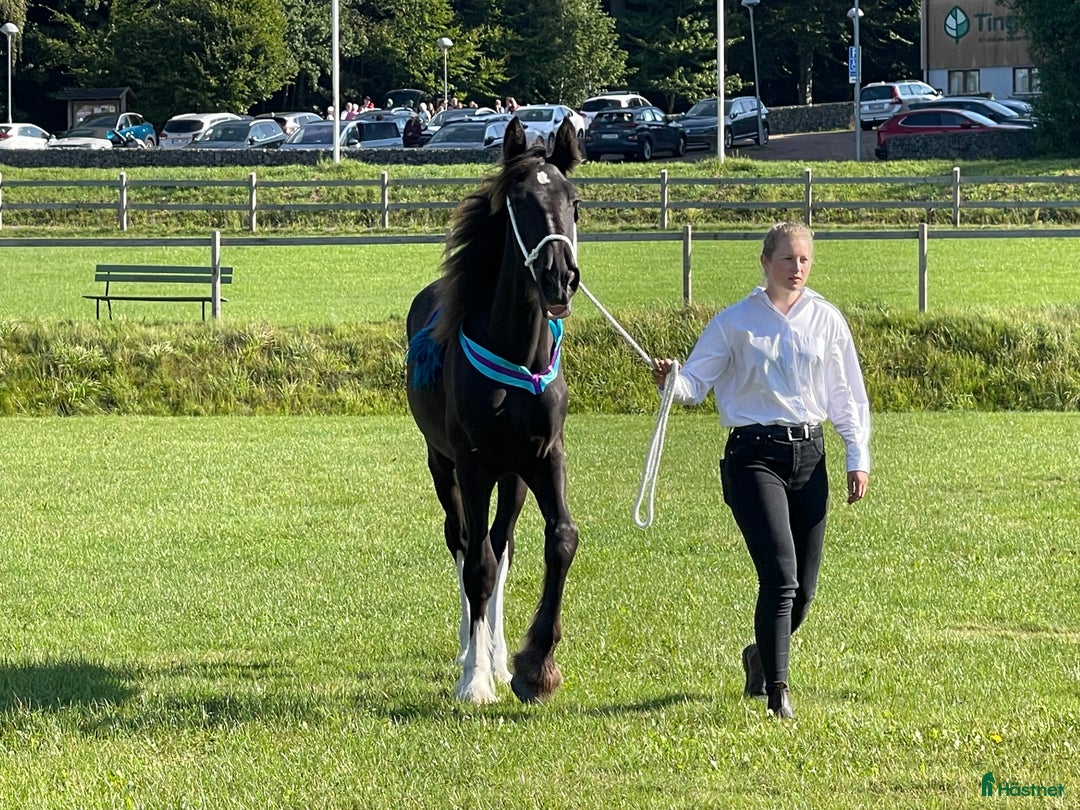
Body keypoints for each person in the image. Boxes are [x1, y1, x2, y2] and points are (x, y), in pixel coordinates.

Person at [651, 221, 870, 720]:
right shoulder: (733, 323)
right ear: (766, 262)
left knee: (805, 591)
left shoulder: (827, 320)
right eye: (788, 259)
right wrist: (672, 379)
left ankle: (759, 654)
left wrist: (857, 455)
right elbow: (694, 386)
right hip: (752, 458)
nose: (797, 268)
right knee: (780, 577)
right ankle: (778, 692)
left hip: (810, 458)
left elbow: (846, 395)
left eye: (805, 260)